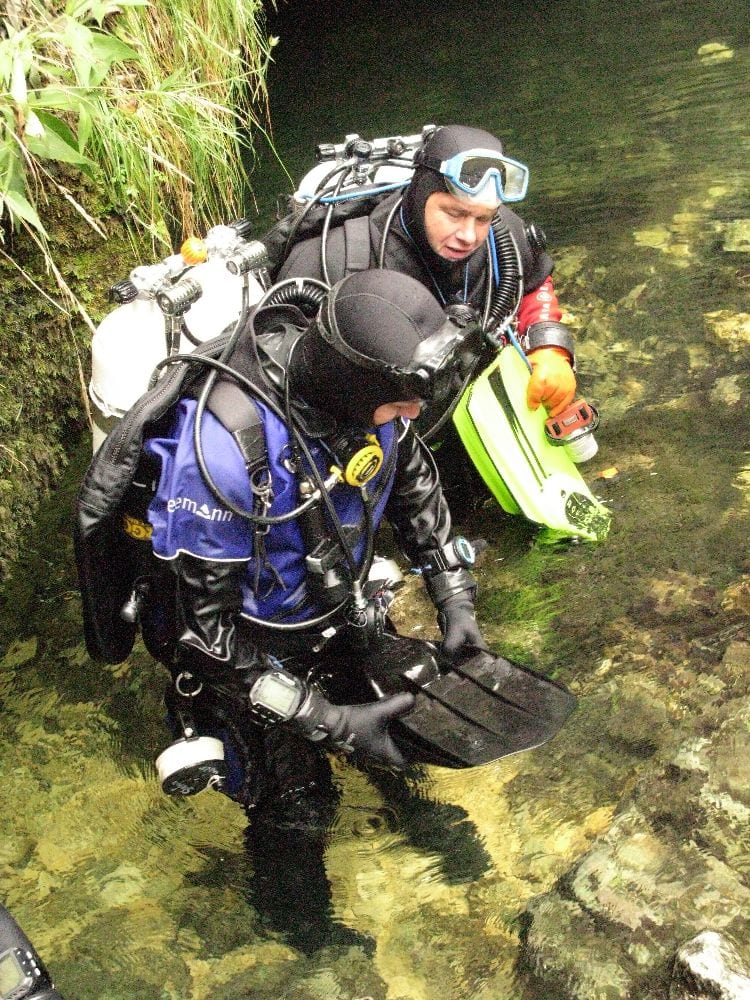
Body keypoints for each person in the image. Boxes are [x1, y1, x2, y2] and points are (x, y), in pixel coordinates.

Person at [142, 267, 488, 826]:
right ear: (354, 387)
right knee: (300, 808)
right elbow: (204, 632)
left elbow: (413, 484)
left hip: (332, 606)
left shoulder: (378, 400)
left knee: (408, 738)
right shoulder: (223, 457)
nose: (414, 413)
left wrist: (453, 594)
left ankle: (429, 832)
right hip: (245, 647)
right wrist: (324, 718)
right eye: (401, 403)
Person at [275, 123, 578, 425]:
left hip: (474, 407)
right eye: (454, 213)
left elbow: (534, 282)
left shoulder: (503, 237)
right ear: (420, 194)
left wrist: (550, 348)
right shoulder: (334, 258)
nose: (469, 235)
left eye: (482, 218)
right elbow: (286, 370)